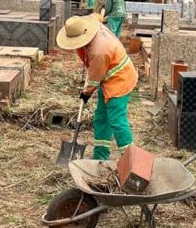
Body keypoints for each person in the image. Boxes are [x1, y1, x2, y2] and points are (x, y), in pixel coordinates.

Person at [57, 16, 137, 160]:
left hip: (120, 80)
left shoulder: (99, 51)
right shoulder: (90, 26)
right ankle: (100, 156)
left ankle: (130, 159)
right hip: (107, 79)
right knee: (101, 118)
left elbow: (95, 77)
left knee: (117, 121)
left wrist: (86, 93)